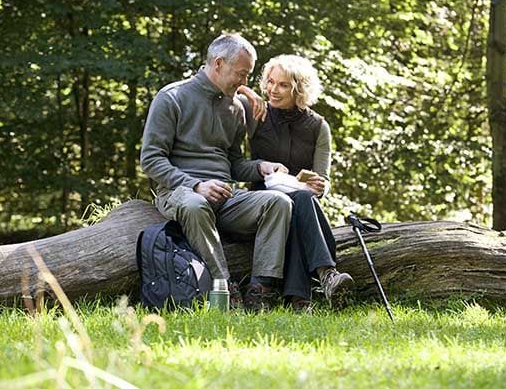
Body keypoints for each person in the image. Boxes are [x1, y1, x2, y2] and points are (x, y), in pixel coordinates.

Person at [140, 33, 293, 311]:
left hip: (225, 197)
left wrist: (261, 167)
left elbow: (234, 163)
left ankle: (260, 290)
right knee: (196, 204)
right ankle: (224, 287)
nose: (245, 83)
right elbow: (151, 159)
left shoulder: (235, 107)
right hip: (181, 192)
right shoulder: (172, 97)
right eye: (242, 74)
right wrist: (197, 185)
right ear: (219, 63)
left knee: (278, 202)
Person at [238, 54, 353, 311]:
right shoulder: (255, 110)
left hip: (301, 201)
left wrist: (321, 185)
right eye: (269, 82)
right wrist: (246, 90)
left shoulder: (318, 127)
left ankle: (303, 297)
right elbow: (221, 89)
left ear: (298, 89)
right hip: (262, 201)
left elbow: (321, 180)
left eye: (282, 85)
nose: (272, 90)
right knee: (296, 203)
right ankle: (320, 280)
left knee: (302, 199)